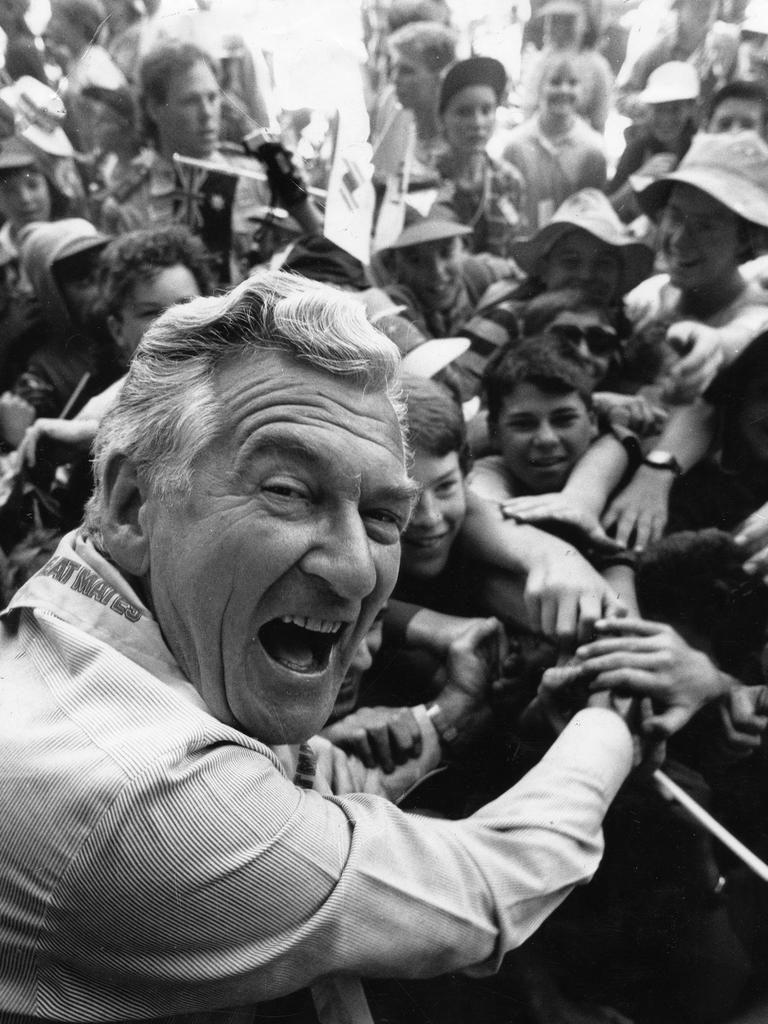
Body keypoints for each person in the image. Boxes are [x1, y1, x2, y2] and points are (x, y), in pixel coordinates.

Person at [0, 269, 651, 1023]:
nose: (354, 570)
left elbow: (283, 808)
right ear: (131, 505)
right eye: (288, 491)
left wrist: (442, 728)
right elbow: (478, 892)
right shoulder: (140, 790)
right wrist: (611, 720)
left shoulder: (93, 640)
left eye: (382, 516)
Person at [603, 131, 768, 549]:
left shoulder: (755, 320)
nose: (678, 239)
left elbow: (734, 338)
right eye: (675, 215)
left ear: (747, 239)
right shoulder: (648, 296)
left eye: (705, 226)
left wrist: (713, 345)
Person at [100, 41, 316, 284]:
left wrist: (298, 199)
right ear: (154, 108)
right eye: (191, 101)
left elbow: (318, 248)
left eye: (212, 97)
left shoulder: (252, 173)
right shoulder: (129, 204)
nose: (207, 113)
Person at [501, 52, 607, 234]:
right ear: (539, 86)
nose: (564, 90)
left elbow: (594, 212)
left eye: (573, 83)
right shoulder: (515, 145)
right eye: (555, 82)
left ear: (584, 90)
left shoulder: (593, 149)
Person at [434, 55, 527, 257]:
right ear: (443, 118)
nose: (477, 123)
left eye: (486, 110)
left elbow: (513, 252)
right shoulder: (428, 180)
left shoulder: (509, 181)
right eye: (464, 112)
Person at [607, 61, 699, 224]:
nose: (666, 119)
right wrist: (637, 180)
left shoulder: (701, 152)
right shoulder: (638, 148)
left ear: (691, 108)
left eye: (675, 109)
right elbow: (605, 210)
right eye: (659, 109)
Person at [519, 0, 614, 134]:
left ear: (585, 24)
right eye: (554, 20)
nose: (560, 27)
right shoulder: (539, 62)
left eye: (568, 21)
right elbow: (528, 111)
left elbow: (599, 120)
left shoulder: (596, 67)